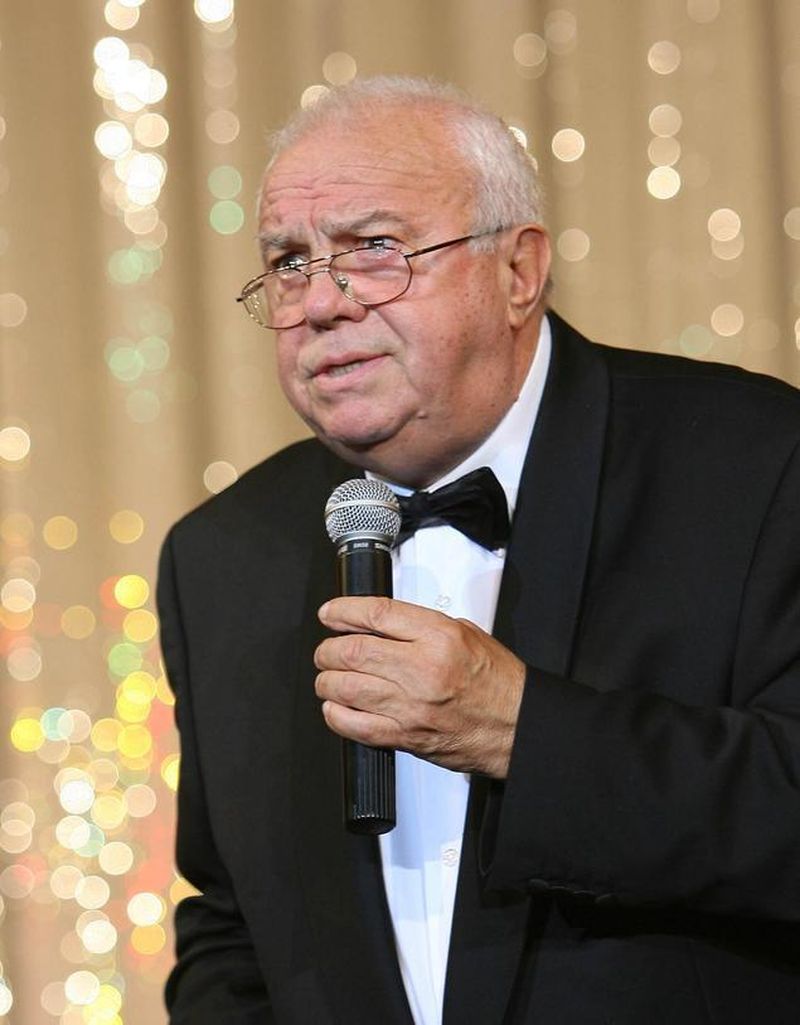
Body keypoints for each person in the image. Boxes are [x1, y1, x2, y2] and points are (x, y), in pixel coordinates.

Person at [157, 76, 800, 1025]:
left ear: (518, 271)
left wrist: (522, 731)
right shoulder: (219, 556)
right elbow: (231, 927)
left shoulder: (756, 463)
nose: (321, 302)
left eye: (375, 248)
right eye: (289, 261)